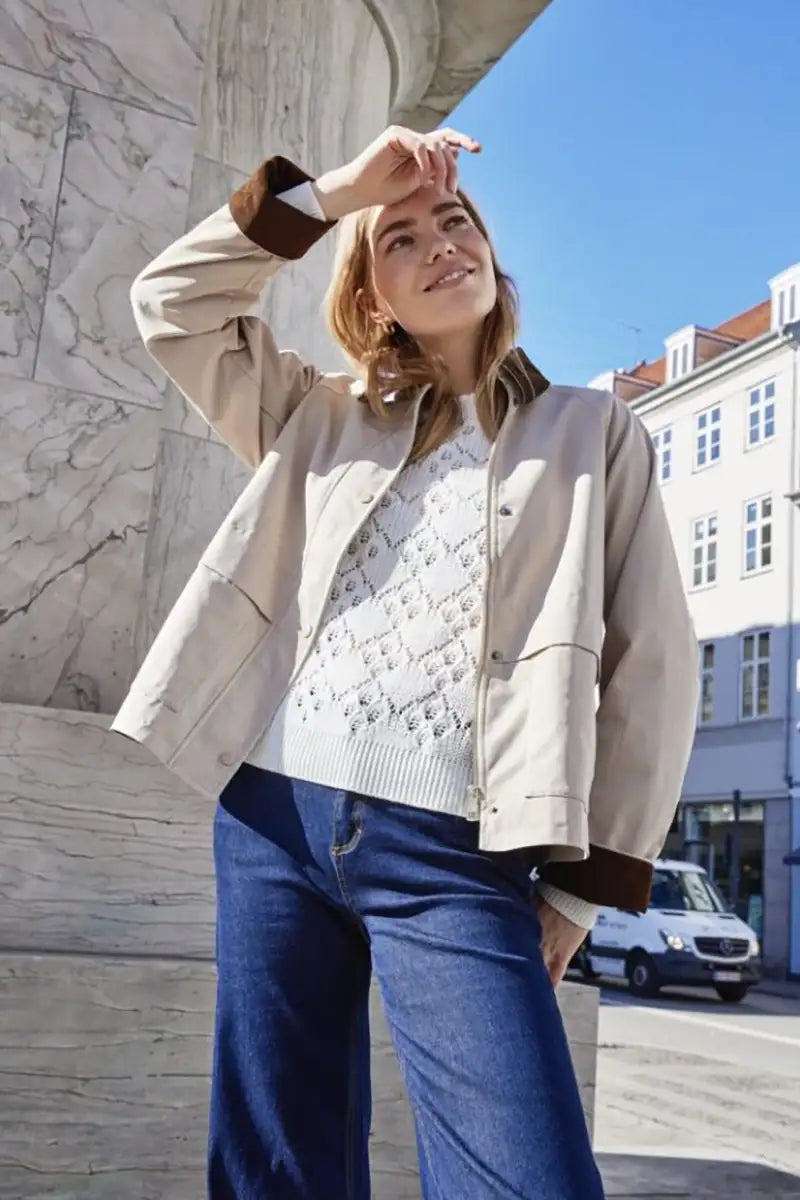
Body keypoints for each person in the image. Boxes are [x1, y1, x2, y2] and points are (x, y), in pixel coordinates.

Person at [112, 125, 699, 1198]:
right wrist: (340, 193)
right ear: (370, 295)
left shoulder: (591, 432)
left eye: (456, 222)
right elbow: (171, 303)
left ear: (492, 258)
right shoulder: (317, 416)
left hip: (456, 848)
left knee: (526, 1177)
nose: (439, 244)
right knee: (275, 1170)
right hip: (272, 819)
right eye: (401, 239)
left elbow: (651, 663)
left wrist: (578, 892)